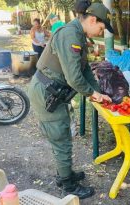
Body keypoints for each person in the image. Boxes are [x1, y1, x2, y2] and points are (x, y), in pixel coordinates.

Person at [27, 0, 113, 199]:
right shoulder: (70, 34)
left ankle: (65, 174)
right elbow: (74, 78)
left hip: (55, 92)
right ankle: (67, 185)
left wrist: (98, 92)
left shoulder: (79, 35)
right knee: (61, 140)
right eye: (101, 27)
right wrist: (92, 94)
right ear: (92, 19)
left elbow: (85, 70)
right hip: (47, 92)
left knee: (64, 134)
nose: (101, 32)